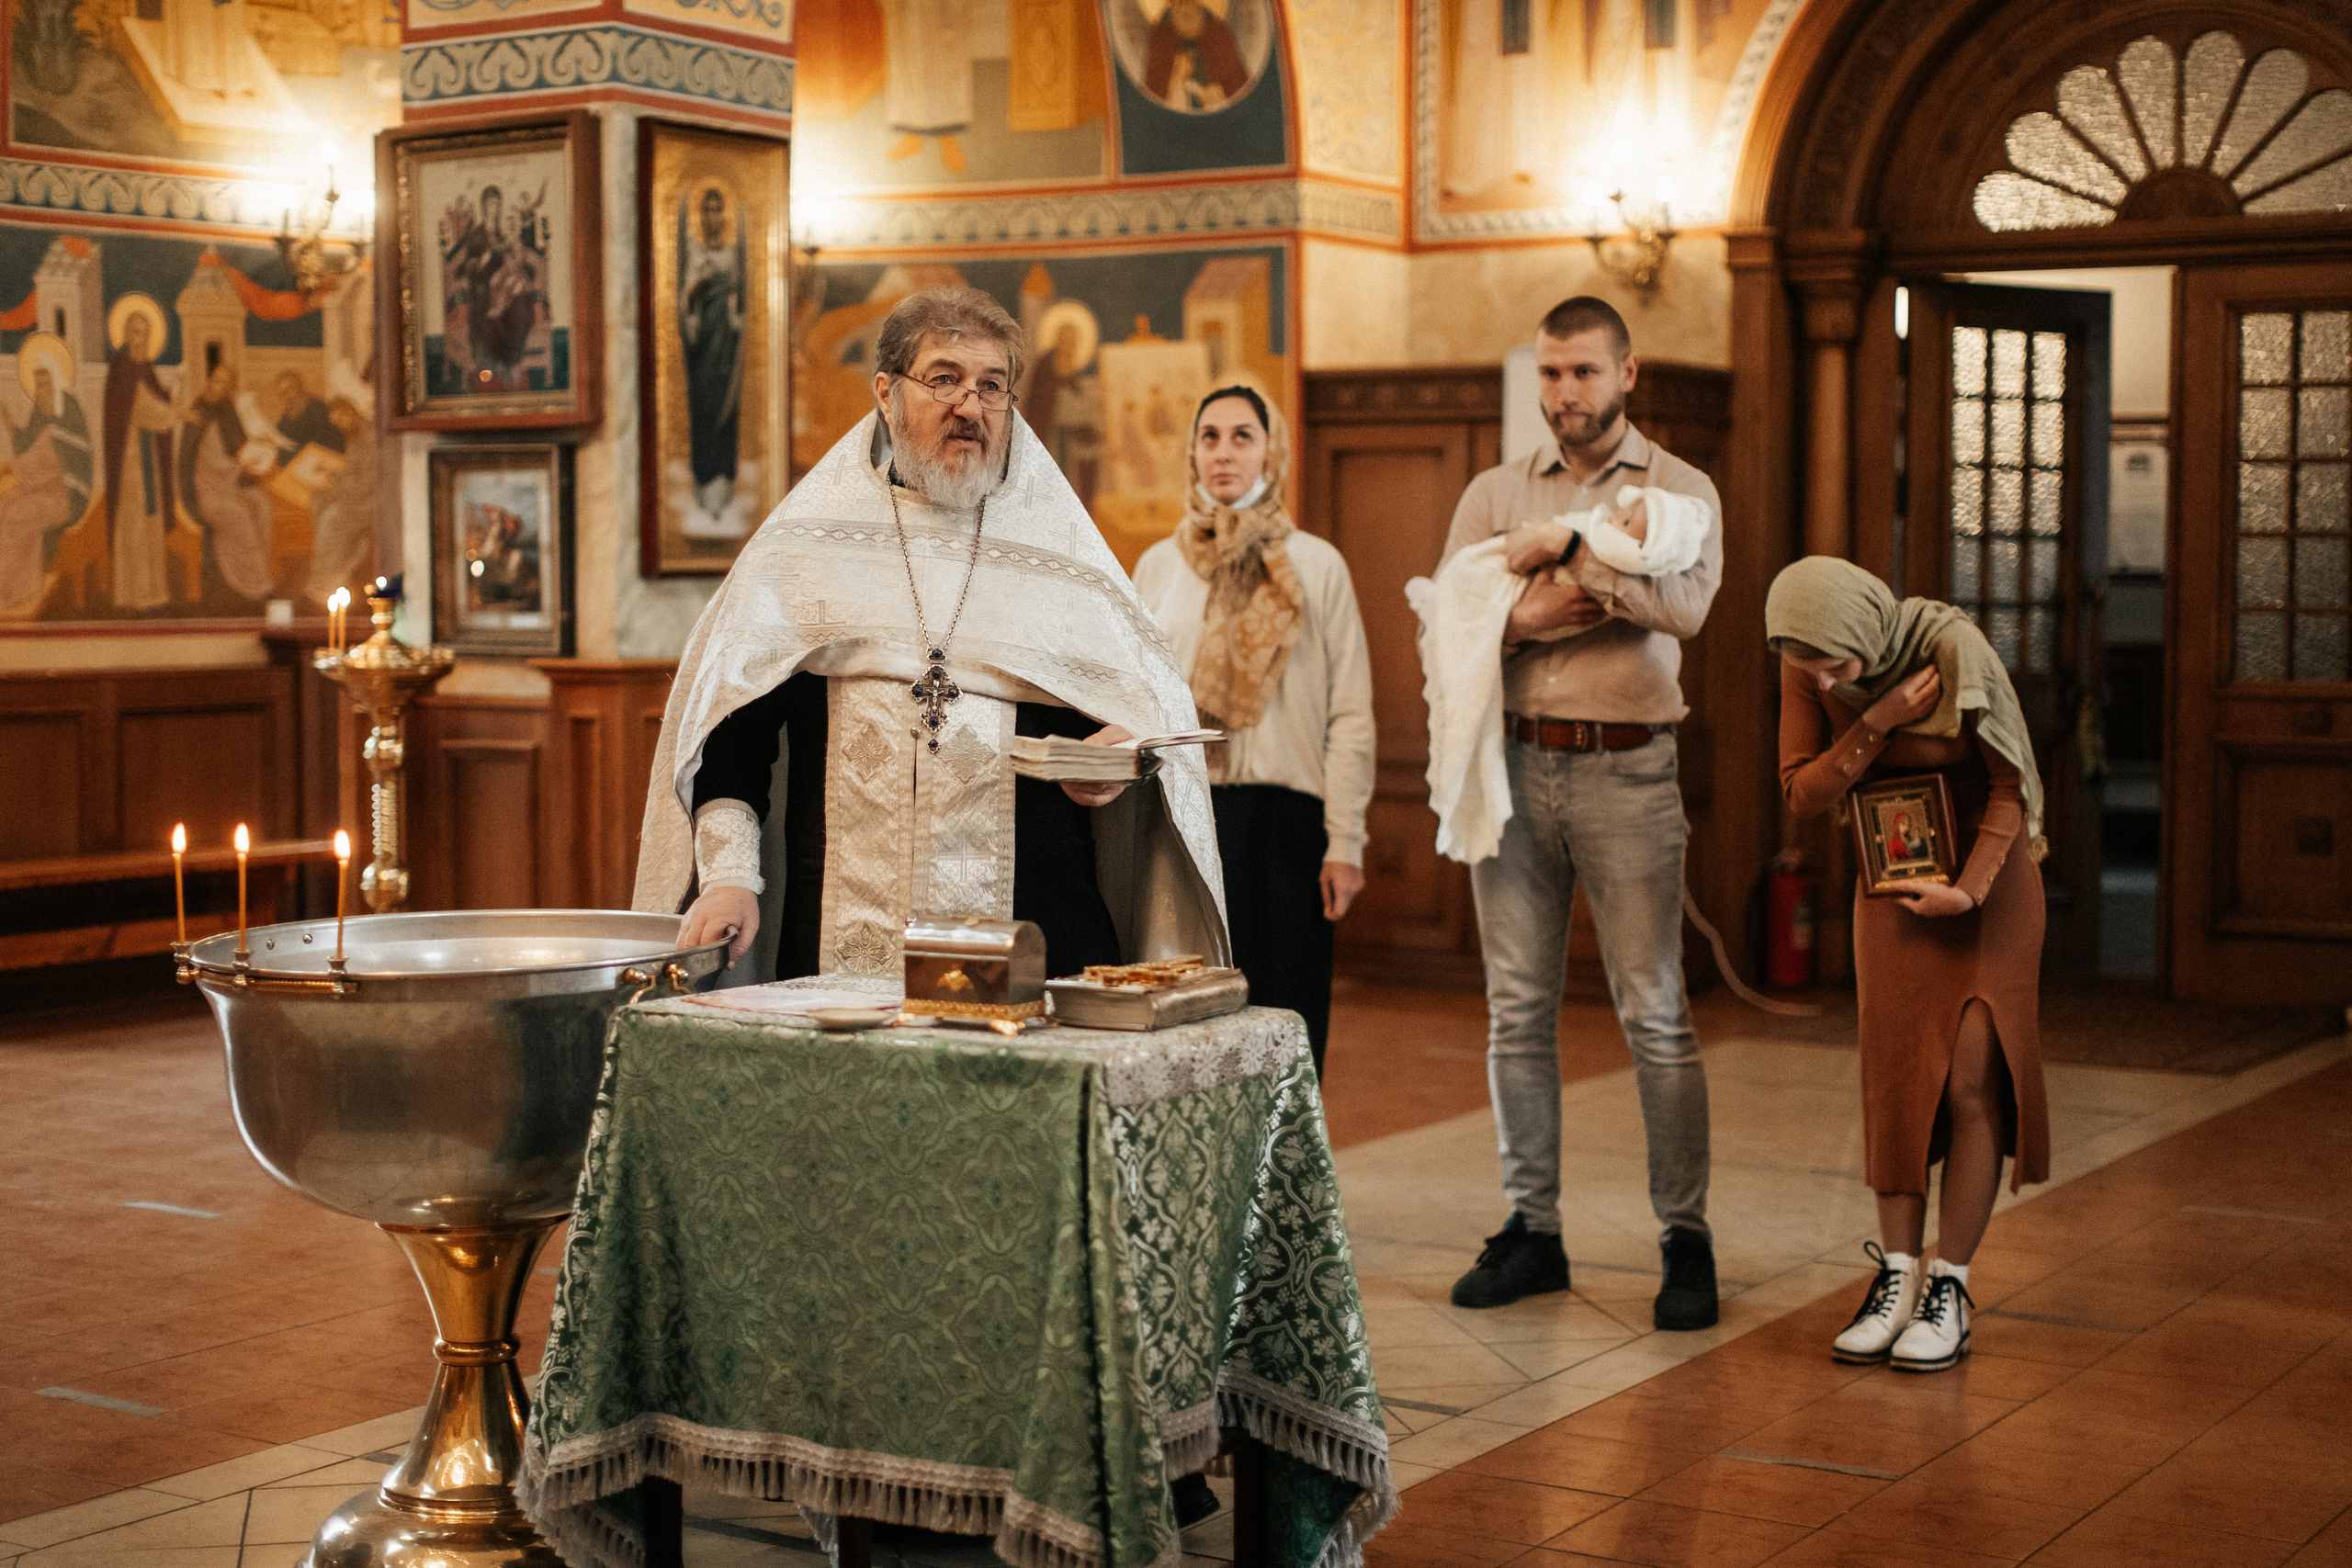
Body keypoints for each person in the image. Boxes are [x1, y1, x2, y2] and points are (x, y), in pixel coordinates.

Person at [637, 287, 1227, 992]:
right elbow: (732, 732)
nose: (969, 406)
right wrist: (731, 877)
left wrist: (1120, 750)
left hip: (1037, 938)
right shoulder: (805, 550)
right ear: (886, 393)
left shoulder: (1063, 558)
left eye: (992, 386)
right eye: (944, 378)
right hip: (839, 939)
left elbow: (1143, 714)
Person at [1435, 295, 1724, 1330]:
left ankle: (1684, 1240)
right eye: (1550, 375)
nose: (1565, 395)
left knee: (1654, 1011)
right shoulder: (1492, 491)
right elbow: (1449, 621)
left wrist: (1564, 563)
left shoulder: (1680, 490)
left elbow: (1685, 607)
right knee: (1516, 1012)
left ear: (1627, 373)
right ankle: (1532, 1231)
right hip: (1510, 770)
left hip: (1628, 774)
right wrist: (1546, 606)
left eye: (1583, 374)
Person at [1769, 556, 2050, 1373]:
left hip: (1987, 887)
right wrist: (1876, 718)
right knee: (1896, 1081)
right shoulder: (1806, 662)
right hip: (1891, 878)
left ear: (1863, 629)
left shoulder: (1953, 645)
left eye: (1834, 661)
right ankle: (1896, 1277)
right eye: (1805, 662)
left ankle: (1949, 1288)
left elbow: (2010, 787)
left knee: (1967, 1080)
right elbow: (1803, 792)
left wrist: (1967, 893)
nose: (1821, 675)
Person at [1131, 385, 1376, 1077]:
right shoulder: (1159, 565)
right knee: (1192, 1021)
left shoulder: (1316, 564)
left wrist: (1347, 837)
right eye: (1209, 437)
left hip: (1288, 822)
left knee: (1286, 1019)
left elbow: (1350, 710)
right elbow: (1135, 696)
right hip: (1184, 818)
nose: (1224, 453)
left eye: (1243, 435)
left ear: (1273, 449)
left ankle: (1285, 1180)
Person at [0, 335, 93, 618]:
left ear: (56, 381)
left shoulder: (69, 411)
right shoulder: (38, 413)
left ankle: (12, 592)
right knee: (4, 507)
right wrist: (9, 425)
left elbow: (51, 462)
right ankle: (15, 586)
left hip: (65, 495)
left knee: (17, 513)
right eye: (37, 384)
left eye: (45, 383)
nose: (40, 390)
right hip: (39, 491)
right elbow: (27, 447)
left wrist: (21, 472)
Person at [101, 297, 177, 613]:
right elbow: (140, 408)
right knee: (132, 524)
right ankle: (132, 592)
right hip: (130, 462)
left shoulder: (146, 368)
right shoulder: (120, 369)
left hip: (148, 461)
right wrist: (173, 412)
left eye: (145, 333)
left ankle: (153, 590)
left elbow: (156, 404)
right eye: (135, 332)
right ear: (125, 336)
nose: (141, 338)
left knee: (150, 521)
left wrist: (168, 403)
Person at [177, 362, 276, 603]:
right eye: (215, 378)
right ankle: (256, 585)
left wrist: (255, 453)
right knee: (240, 517)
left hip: (232, 484)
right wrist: (245, 462)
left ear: (229, 390)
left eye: (223, 382)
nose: (215, 384)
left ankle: (254, 569)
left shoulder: (227, 411)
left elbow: (239, 445)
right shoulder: (199, 413)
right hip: (207, 491)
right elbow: (209, 462)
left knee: (262, 508)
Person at [678, 185, 746, 526]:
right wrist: (695, 291)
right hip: (702, 347)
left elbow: (742, 302)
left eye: (718, 210)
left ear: (725, 216)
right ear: (701, 216)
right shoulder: (694, 252)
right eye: (707, 210)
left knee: (726, 411)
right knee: (703, 409)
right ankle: (703, 481)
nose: (713, 217)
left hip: (727, 347)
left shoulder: (734, 256)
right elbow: (686, 302)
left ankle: (724, 482)